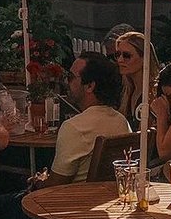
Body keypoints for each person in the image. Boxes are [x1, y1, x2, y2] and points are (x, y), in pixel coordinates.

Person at [39, 52, 131, 184]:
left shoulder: (74, 127)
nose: (66, 81)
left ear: (89, 86)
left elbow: (54, 185)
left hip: (72, 201)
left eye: (70, 77)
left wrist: (39, 181)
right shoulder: (121, 121)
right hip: (108, 200)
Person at [114, 31, 160, 126]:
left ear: (144, 58)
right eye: (118, 55)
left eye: (127, 56)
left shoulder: (154, 92)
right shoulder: (127, 91)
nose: (120, 60)